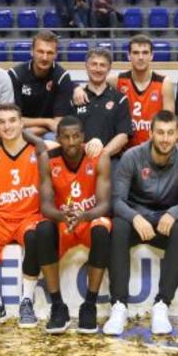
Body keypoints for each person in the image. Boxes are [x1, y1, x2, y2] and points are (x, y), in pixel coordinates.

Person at [105, 110, 178, 335]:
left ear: (177, 135)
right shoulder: (132, 156)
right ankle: (119, 305)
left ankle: (162, 304)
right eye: (160, 132)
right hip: (137, 220)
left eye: (170, 133)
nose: (165, 138)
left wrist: (175, 212)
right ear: (151, 133)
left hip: (165, 220)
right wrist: (135, 217)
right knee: (119, 226)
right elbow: (116, 201)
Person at [0, 104, 58, 329]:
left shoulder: (41, 149)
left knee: (34, 237)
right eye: (1, 122)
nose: (7, 126)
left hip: (30, 215)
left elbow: (72, 147)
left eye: (12, 120)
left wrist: (94, 144)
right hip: (1, 216)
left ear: (21, 123)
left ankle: (26, 301)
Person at [39, 116, 114, 333]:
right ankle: (57, 306)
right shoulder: (47, 158)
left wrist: (85, 215)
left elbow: (105, 204)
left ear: (83, 137)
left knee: (102, 228)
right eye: (66, 137)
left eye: (75, 136)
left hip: (88, 219)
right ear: (58, 138)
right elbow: (45, 206)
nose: (71, 142)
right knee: (43, 229)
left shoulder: (99, 157)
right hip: (64, 221)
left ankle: (89, 305)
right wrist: (63, 216)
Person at [67, 48, 131, 159]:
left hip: (110, 159)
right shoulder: (75, 99)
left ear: (109, 69)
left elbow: (123, 136)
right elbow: (67, 134)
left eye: (102, 65)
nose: (98, 69)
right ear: (86, 66)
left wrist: (103, 154)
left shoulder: (120, 99)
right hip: (80, 159)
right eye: (94, 64)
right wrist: (86, 149)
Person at [8, 30, 74, 136]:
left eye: (50, 53)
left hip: (48, 133)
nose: (44, 57)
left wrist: (36, 131)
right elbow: (13, 119)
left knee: (53, 138)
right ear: (32, 51)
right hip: (19, 131)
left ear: (56, 55)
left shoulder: (62, 77)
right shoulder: (15, 75)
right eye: (40, 52)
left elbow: (58, 124)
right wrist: (47, 122)